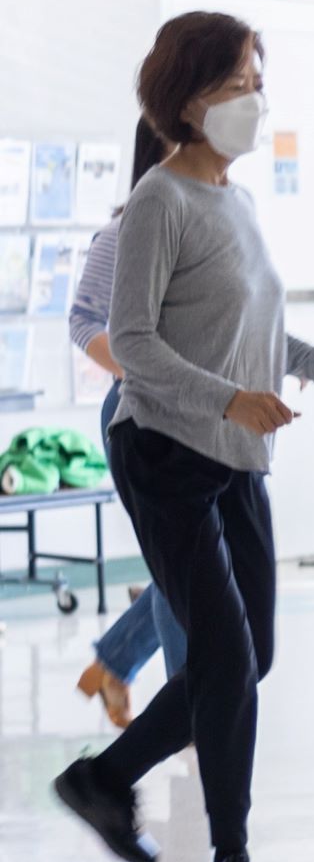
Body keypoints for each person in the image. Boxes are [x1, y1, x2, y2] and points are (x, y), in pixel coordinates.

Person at [52, 13, 314, 862]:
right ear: (188, 100)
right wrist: (228, 399)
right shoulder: (157, 201)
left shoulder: (234, 199)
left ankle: (102, 778)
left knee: (252, 654)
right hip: (164, 452)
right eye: (237, 82)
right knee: (226, 657)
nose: (254, 98)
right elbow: (135, 346)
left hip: (232, 454)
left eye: (255, 78)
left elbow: (254, 331)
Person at [70, 117, 189, 727]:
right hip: (138, 412)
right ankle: (184, 708)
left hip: (201, 414)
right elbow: (84, 321)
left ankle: (117, 665)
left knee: (194, 559)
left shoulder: (207, 225)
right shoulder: (121, 233)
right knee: (186, 558)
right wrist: (142, 373)